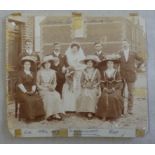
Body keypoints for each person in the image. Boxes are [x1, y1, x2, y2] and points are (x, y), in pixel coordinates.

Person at [16, 56, 45, 123]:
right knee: (28, 100)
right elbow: (20, 84)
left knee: (38, 99)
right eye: (25, 64)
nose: (27, 65)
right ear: (23, 65)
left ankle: (37, 116)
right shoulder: (20, 73)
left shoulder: (33, 73)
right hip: (22, 91)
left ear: (30, 65)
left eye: (28, 64)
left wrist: (32, 91)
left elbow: (34, 83)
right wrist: (26, 92)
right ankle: (29, 117)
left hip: (31, 90)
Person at [119, 40, 144, 114]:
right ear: (122, 45)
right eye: (123, 44)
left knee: (131, 93)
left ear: (128, 44)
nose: (124, 45)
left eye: (126, 44)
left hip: (131, 75)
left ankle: (130, 109)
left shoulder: (133, 52)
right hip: (122, 75)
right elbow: (115, 62)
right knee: (121, 92)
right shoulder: (119, 53)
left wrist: (136, 67)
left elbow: (142, 59)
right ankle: (121, 109)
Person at [96, 54, 123, 121]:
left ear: (113, 64)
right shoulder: (104, 72)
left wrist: (113, 88)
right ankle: (104, 115)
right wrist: (104, 88)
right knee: (103, 97)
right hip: (106, 88)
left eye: (111, 63)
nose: (109, 64)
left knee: (113, 97)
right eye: (108, 63)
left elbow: (119, 83)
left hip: (115, 88)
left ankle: (113, 115)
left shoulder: (117, 72)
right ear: (106, 64)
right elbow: (102, 83)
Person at [37, 56, 63, 121]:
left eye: (49, 63)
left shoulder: (53, 72)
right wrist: (43, 88)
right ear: (43, 65)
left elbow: (55, 82)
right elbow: (37, 83)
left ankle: (56, 114)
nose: (47, 65)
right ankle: (48, 114)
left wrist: (53, 87)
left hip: (51, 89)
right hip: (42, 89)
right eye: (46, 64)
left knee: (57, 95)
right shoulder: (39, 72)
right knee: (48, 97)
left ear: (50, 64)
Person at [63, 42, 86, 112]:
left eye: (76, 48)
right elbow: (65, 65)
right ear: (71, 49)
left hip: (78, 74)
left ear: (78, 49)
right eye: (73, 48)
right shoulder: (67, 56)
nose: (74, 50)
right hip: (70, 73)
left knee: (77, 88)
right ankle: (69, 107)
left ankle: (77, 107)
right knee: (69, 88)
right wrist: (69, 70)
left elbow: (83, 66)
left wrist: (77, 68)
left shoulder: (81, 56)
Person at [76, 55, 101, 119]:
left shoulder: (96, 71)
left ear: (93, 63)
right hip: (86, 87)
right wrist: (84, 85)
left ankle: (90, 112)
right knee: (84, 94)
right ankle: (85, 110)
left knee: (91, 94)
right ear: (86, 63)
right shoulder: (84, 71)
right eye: (88, 62)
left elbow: (99, 80)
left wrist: (95, 85)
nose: (89, 64)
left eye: (91, 62)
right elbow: (81, 81)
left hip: (94, 87)